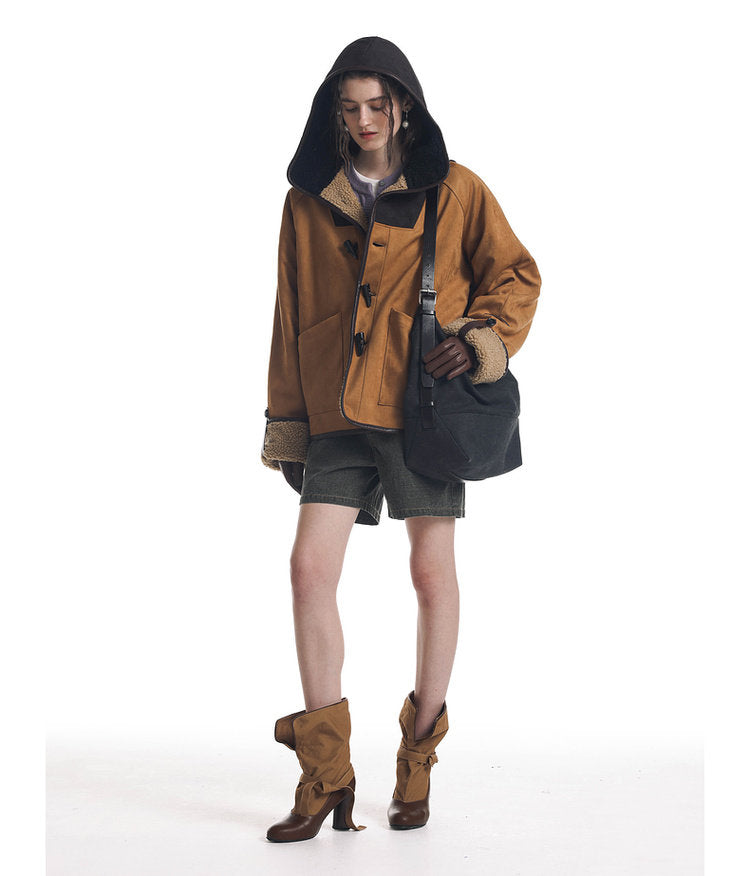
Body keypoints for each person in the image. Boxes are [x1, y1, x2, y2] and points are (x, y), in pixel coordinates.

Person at [261, 36, 541, 843]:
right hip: (336, 410)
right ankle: (326, 774)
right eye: (350, 108)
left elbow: (517, 274)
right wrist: (287, 423)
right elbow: (288, 309)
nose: (365, 121)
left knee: (430, 573)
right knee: (308, 570)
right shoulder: (307, 199)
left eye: (378, 105)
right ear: (336, 112)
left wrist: (481, 338)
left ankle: (416, 760)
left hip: (422, 406)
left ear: (403, 105)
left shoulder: (456, 188)